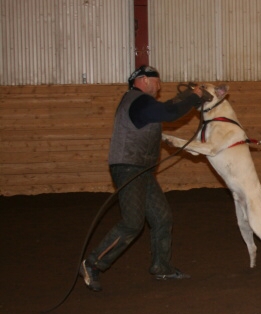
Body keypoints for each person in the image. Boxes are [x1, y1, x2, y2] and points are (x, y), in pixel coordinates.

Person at [79, 65, 204, 291]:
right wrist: (193, 98)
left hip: (141, 170)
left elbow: (167, 108)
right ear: (144, 80)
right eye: (156, 82)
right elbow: (169, 112)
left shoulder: (141, 103)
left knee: (162, 217)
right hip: (129, 169)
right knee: (132, 223)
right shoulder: (138, 101)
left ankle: (161, 267)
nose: (159, 86)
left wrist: (188, 95)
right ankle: (92, 263)